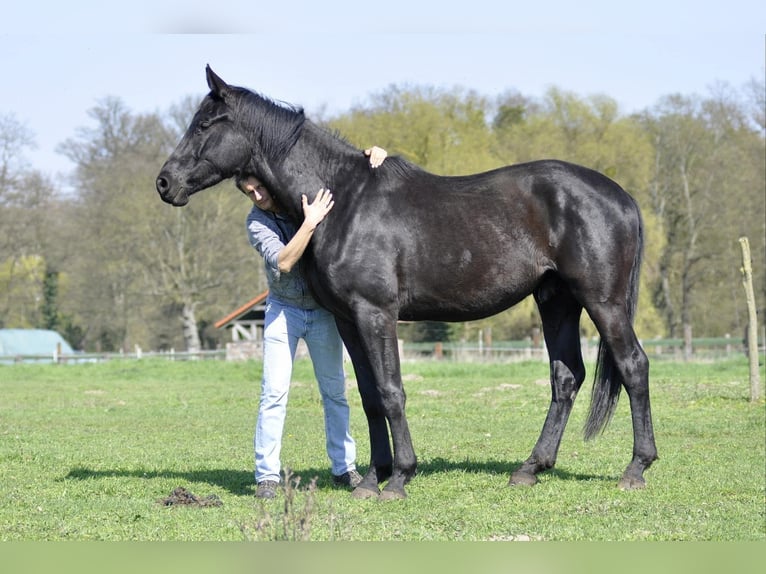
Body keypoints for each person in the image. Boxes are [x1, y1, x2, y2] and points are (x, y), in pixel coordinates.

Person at [239, 146, 388, 499]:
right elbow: (285, 261)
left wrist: (372, 156)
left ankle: (343, 467)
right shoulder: (257, 222)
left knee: (335, 392)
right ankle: (267, 476)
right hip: (283, 310)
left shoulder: (301, 199)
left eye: (259, 188)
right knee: (273, 393)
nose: (258, 196)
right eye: (249, 193)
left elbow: (346, 176)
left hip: (323, 311)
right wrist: (310, 223)